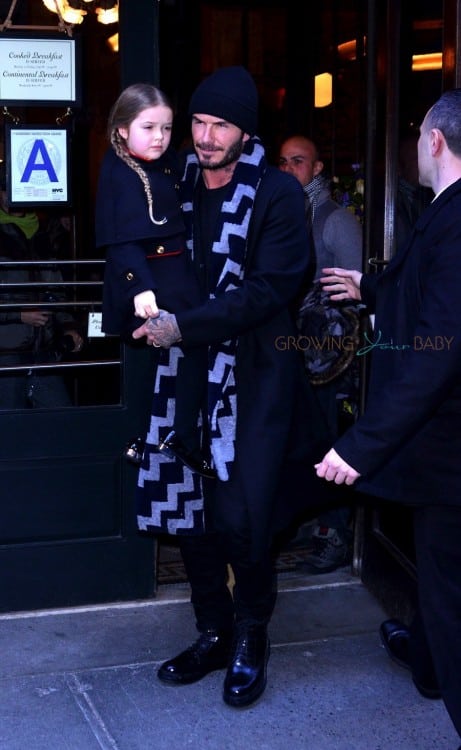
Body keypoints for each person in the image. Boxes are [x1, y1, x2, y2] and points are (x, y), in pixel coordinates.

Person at [131, 65, 329, 707]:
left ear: (246, 133)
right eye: (199, 122)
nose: (208, 136)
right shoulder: (173, 183)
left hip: (251, 381)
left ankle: (251, 636)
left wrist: (182, 324)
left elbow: (270, 290)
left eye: (222, 126)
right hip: (179, 377)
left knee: (243, 521)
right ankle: (212, 632)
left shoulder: (276, 194)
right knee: (191, 520)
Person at [315, 89, 461, 743]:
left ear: (434, 140)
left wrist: (359, 445)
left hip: (449, 453)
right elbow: (431, 293)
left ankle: (442, 669)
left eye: (418, 138)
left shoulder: (455, 220)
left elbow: (440, 349)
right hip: (443, 455)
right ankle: (427, 663)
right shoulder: (445, 215)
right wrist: (370, 287)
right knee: (442, 581)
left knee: (451, 594)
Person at [95, 82, 214, 478]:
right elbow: (120, 241)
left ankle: (167, 436)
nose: (160, 138)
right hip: (151, 281)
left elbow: (183, 169)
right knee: (182, 347)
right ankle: (160, 437)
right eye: (149, 127)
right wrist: (139, 287)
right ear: (123, 128)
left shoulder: (160, 159)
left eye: (166, 128)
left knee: (192, 348)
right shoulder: (117, 171)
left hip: (173, 272)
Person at [278, 135, 363, 573]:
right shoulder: (287, 214)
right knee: (301, 439)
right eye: (284, 161)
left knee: (329, 438)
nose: (289, 167)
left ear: (317, 169)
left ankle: (335, 531)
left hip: (327, 355)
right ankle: (306, 519)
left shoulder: (335, 218)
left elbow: (354, 293)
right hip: (294, 349)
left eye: (299, 161)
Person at [0, 187, 83, 409]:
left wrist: (68, 327)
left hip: (43, 346)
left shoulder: (41, 232)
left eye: (16, 189)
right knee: (9, 425)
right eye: (5, 190)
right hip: (6, 351)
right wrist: (18, 315)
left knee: (60, 417)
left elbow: (55, 288)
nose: (11, 196)